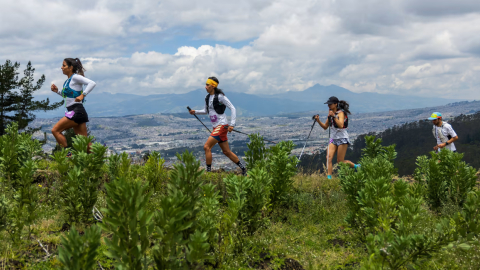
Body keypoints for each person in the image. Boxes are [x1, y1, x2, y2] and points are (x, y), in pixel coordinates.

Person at [189, 77, 247, 175]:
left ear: (213, 86)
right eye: (206, 84)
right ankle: (243, 169)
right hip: (216, 127)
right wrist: (195, 112)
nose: (205, 87)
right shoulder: (207, 98)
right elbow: (206, 111)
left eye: (207, 85)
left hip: (222, 125)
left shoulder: (220, 97)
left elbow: (232, 108)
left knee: (207, 146)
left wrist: (232, 124)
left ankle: (208, 173)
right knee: (226, 152)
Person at [50, 58, 96, 154]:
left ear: (70, 67)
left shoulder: (75, 77)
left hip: (76, 111)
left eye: (64, 65)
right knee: (84, 143)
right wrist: (57, 91)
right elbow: (68, 96)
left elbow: (92, 83)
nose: (61, 68)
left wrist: (83, 95)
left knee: (55, 130)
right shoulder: (67, 81)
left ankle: (67, 154)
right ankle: (98, 159)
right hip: (77, 111)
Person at [314, 96, 360, 179]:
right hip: (333, 139)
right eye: (328, 104)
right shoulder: (330, 114)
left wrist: (334, 116)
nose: (329, 106)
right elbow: (325, 127)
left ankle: (356, 166)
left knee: (340, 161)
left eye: (330, 104)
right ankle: (329, 177)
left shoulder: (340, 113)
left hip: (342, 138)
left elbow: (341, 125)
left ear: (336, 104)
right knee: (328, 157)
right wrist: (318, 121)